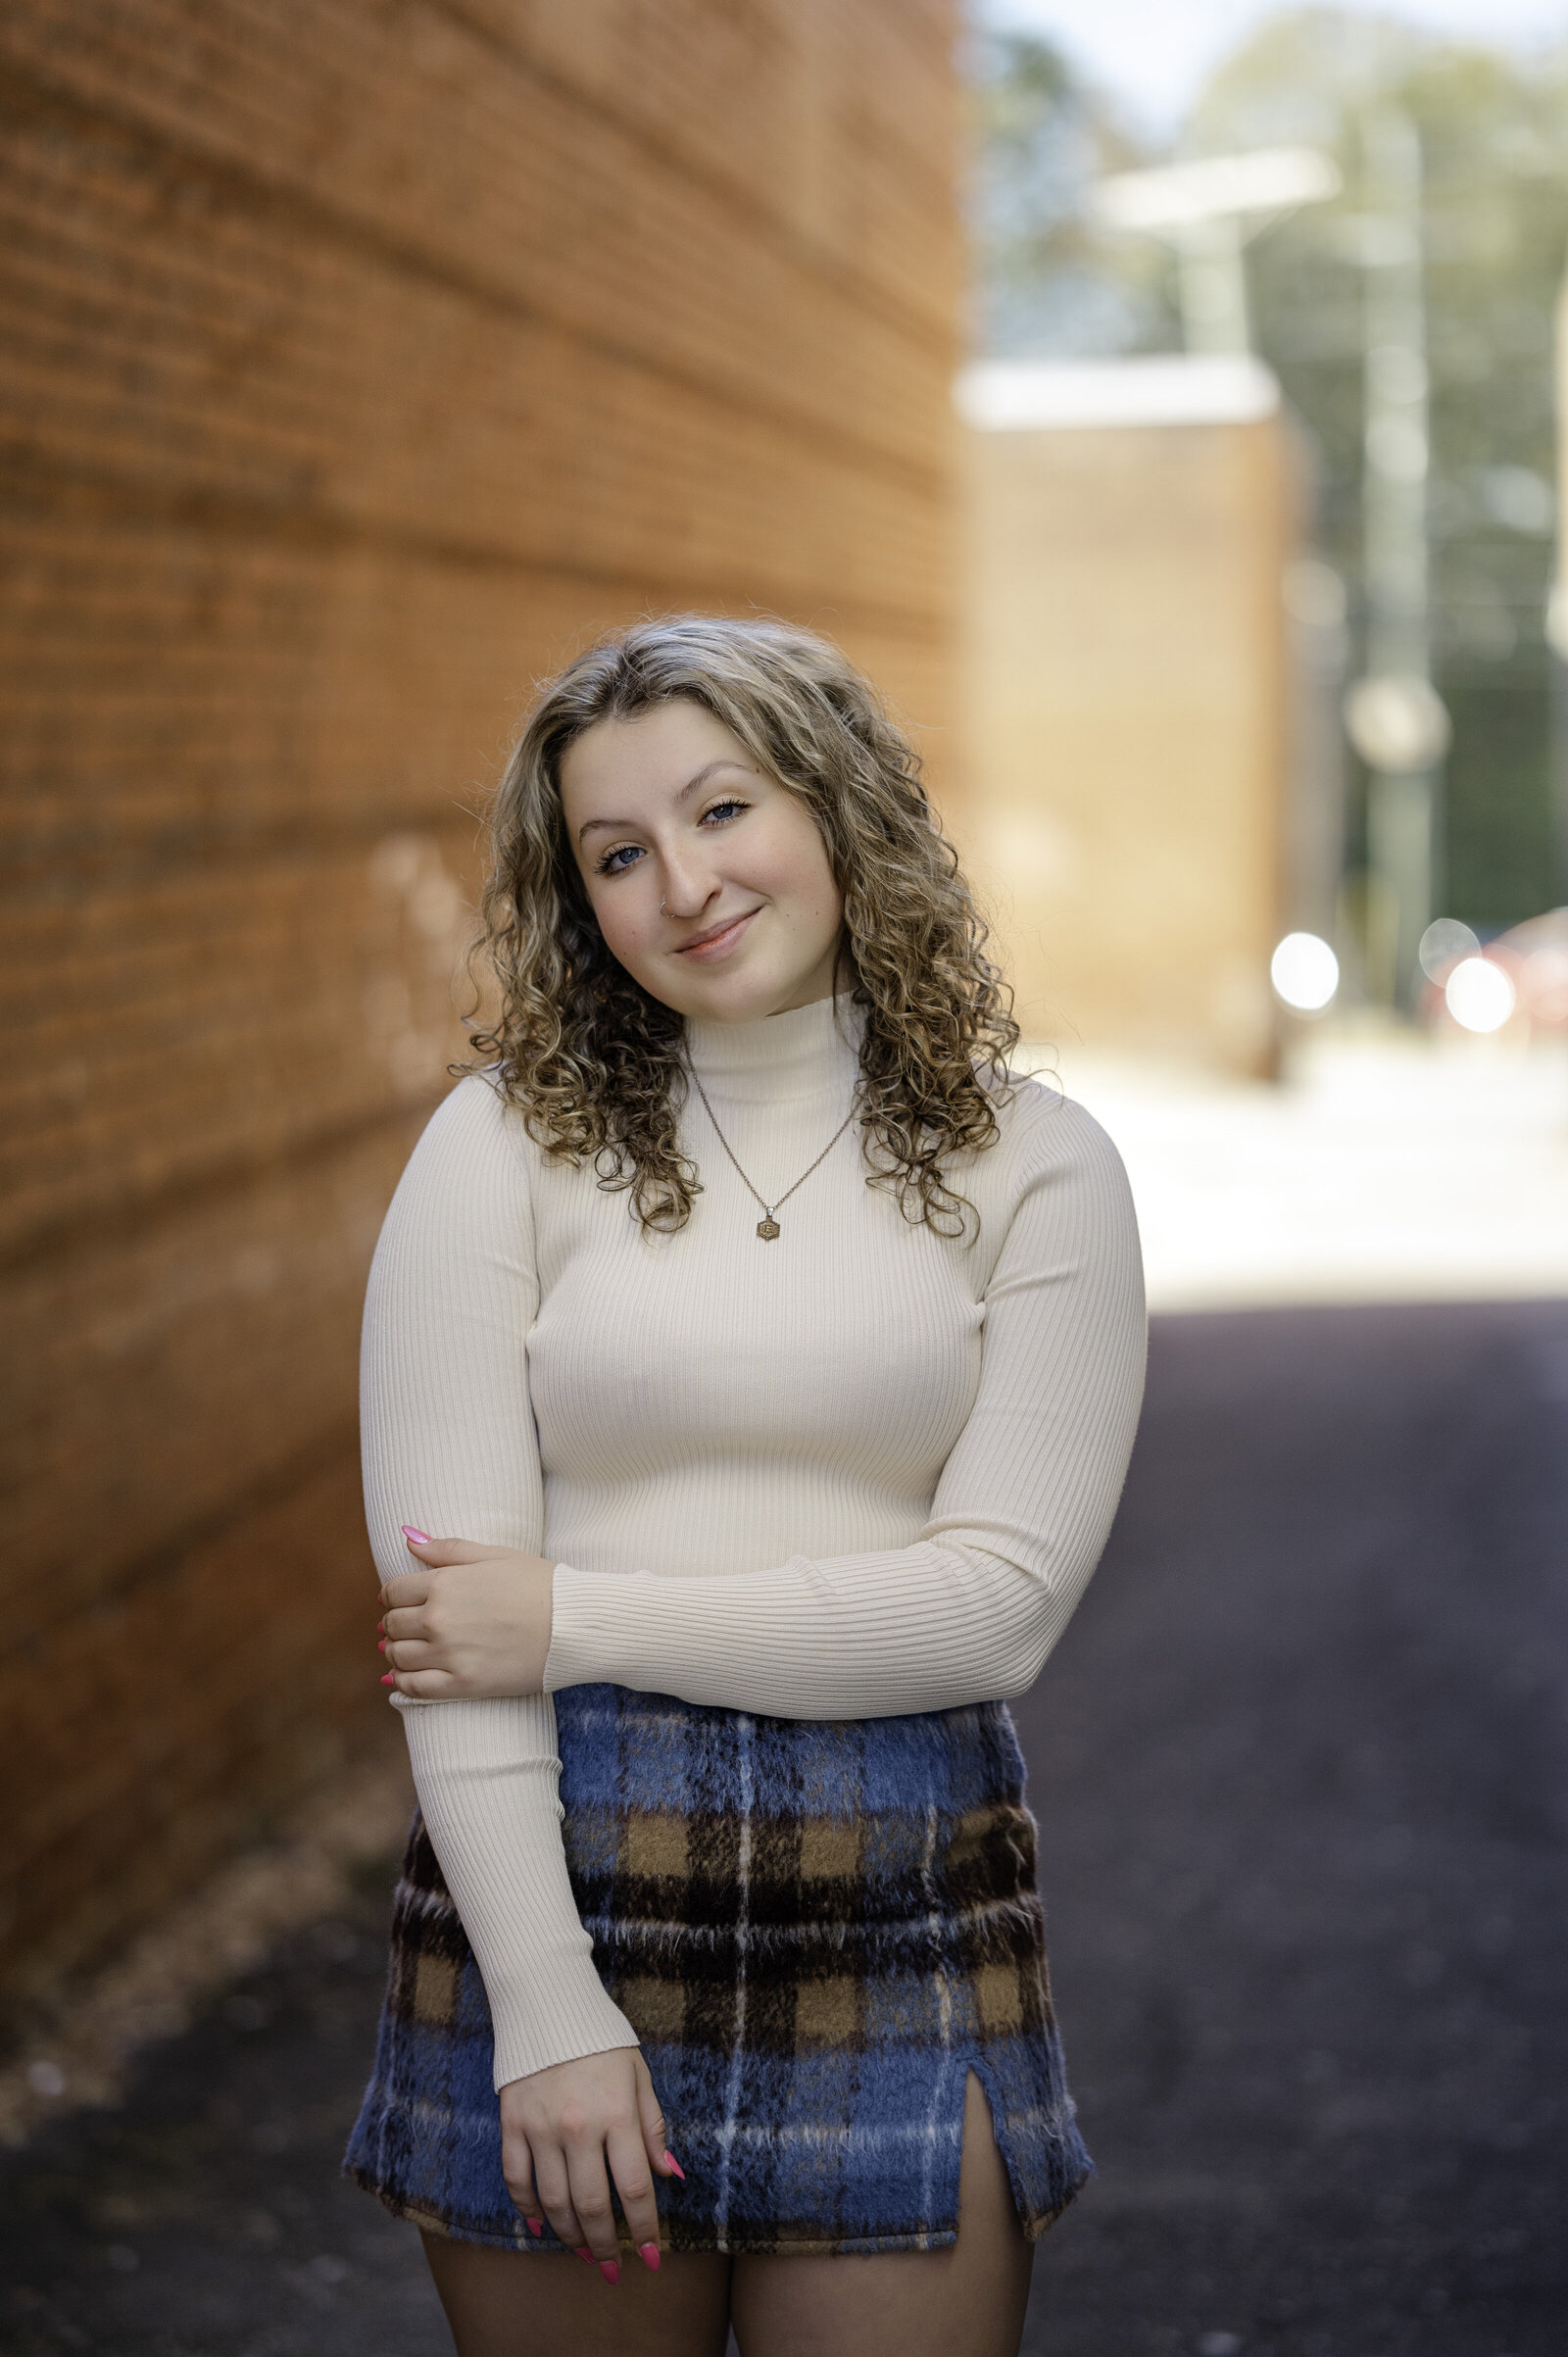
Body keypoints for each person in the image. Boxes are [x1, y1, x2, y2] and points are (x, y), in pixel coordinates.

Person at [344, 616, 1146, 2357]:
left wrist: (571, 1613)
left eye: (723, 810)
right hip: (553, 1873)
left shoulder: (1039, 1165)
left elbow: (993, 1609)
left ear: (839, 806)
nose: (683, 883)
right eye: (618, 852)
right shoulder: (497, 1150)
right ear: (580, 899)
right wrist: (547, 2010)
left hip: (900, 1881)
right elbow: (450, 1655)